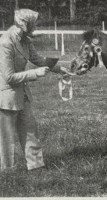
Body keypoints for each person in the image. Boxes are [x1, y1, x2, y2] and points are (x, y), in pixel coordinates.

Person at [0, 9, 68, 172]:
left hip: (22, 94)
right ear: (25, 25)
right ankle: (8, 171)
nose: (35, 26)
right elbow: (8, 76)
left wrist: (59, 69)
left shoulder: (25, 40)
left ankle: (36, 166)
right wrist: (34, 74)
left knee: (30, 130)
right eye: (33, 24)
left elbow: (37, 59)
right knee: (7, 137)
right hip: (6, 95)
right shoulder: (5, 43)